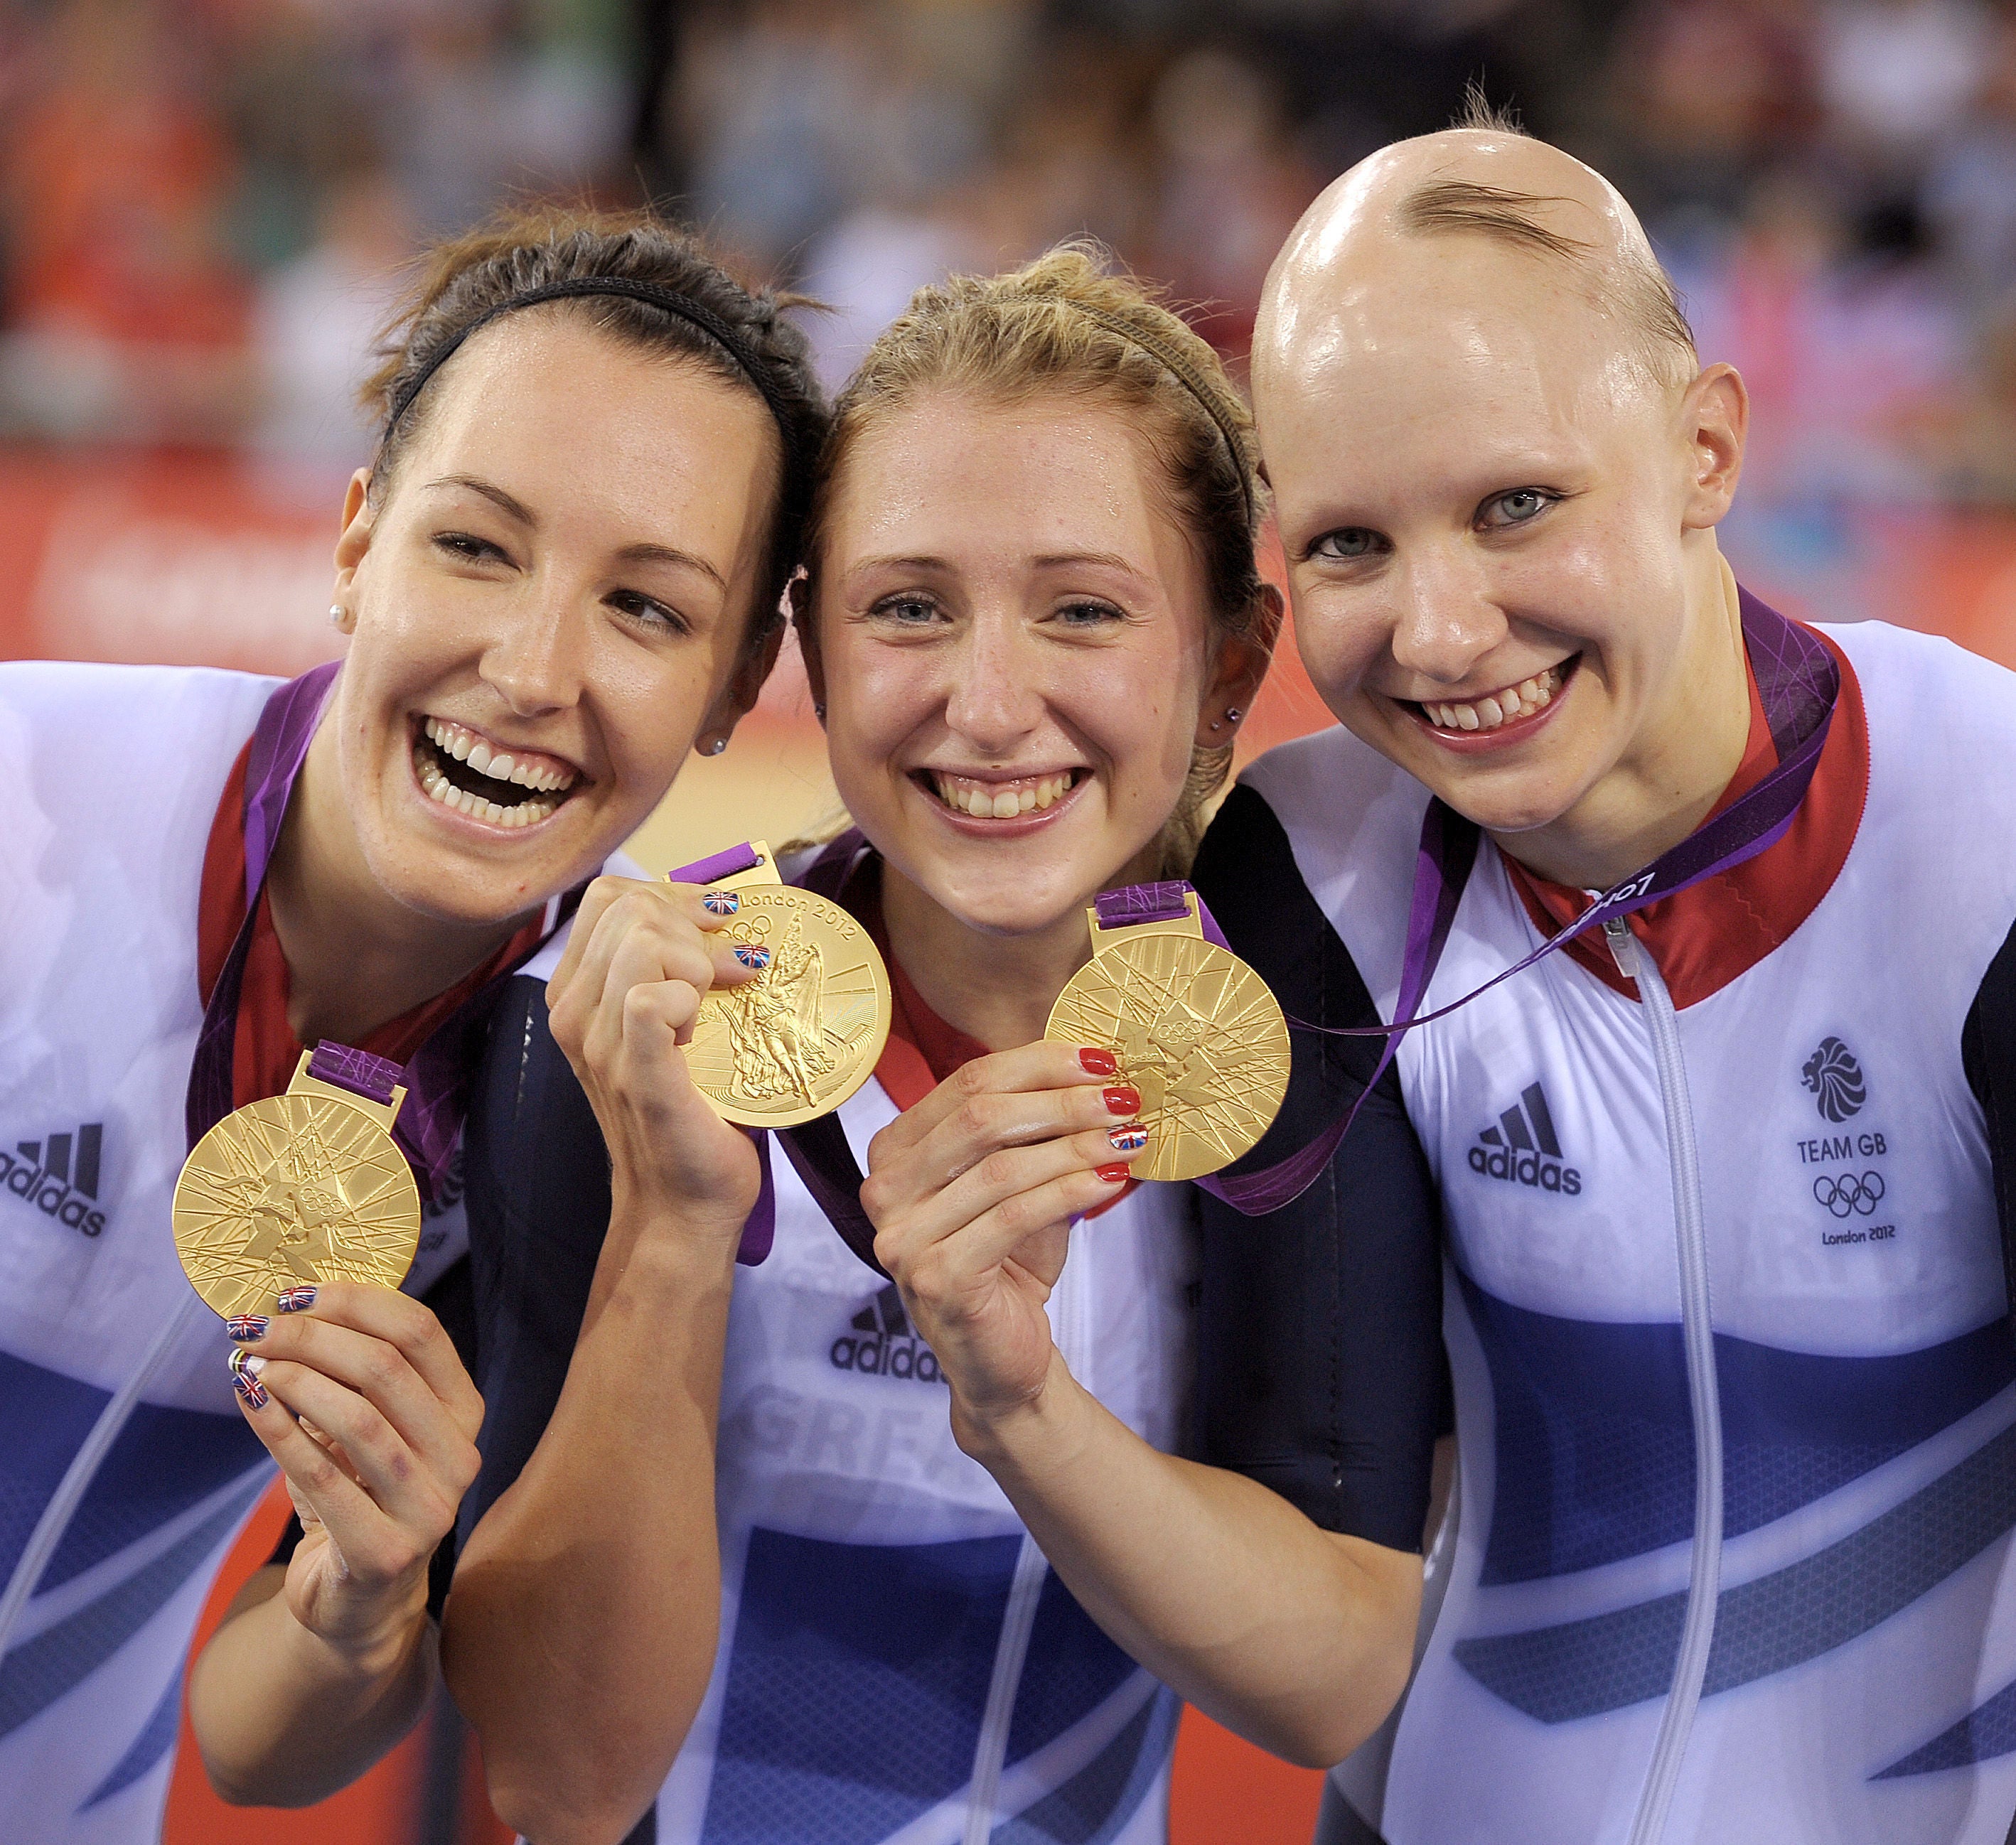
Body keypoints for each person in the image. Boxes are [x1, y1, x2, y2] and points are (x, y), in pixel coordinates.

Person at [440, 249, 1446, 1845]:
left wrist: (1023, 1405)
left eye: (1082, 609)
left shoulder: (1296, 1050)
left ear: (1230, 662)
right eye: (907, 605)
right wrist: (677, 1231)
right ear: (810, 655)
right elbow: (555, 1780)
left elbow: (1334, 1672)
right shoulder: (630, 1021)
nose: (987, 704)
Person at [1195, 108, 2016, 1844]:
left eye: (1514, 504)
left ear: (1705, 446)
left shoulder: (1989, 828)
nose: (1436, 631)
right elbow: (1331, 1546)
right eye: (1347, 542)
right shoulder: (1307, 869)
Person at [0, 205, 825, 1841]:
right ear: (356, 542)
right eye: (474, 545)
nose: (529, 666)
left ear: (738, 687)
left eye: (647, 608)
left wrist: (359, 1607)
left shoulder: (606, 1082)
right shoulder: (25, 802)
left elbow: (264, 1745)